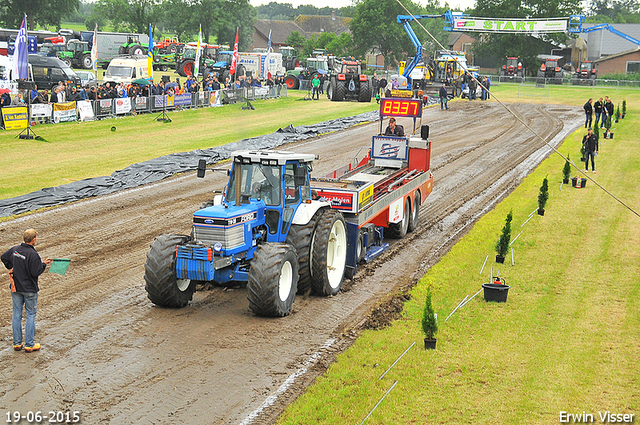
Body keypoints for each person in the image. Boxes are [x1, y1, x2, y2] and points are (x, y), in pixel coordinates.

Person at [2, 229, 52, 353]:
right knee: (30, 315)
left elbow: (3, 257)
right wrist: (43, 265)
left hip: (16, 288)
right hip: (29, 289)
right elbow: (36, 272)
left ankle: (17, 343)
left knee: (16, 315)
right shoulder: (32, 254)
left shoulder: (15, 249)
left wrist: (12, 266)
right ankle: (29, 344)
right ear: (33, 239)